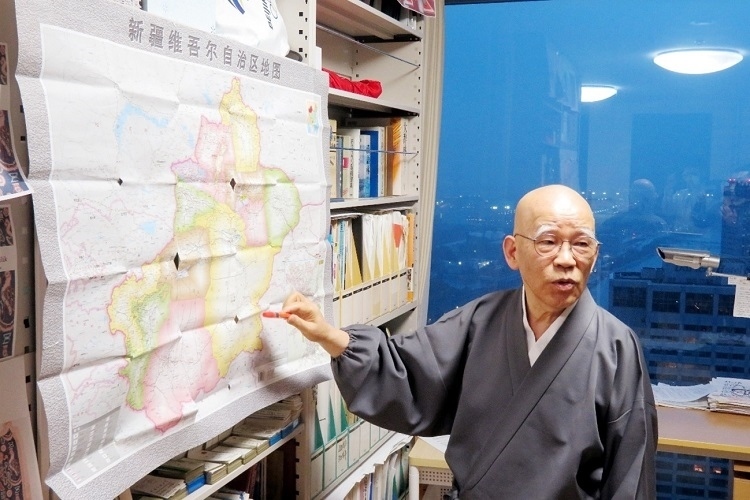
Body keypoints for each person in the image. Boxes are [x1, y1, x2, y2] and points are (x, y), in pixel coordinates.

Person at [281, 184, 658, 499]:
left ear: (595, 254)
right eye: (548, 241)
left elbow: (631, 471)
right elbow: (406, 374)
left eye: (581, 244)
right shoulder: (479, 321)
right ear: (512, 252)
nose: (566, 259)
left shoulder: (616, 347)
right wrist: (331, 336)